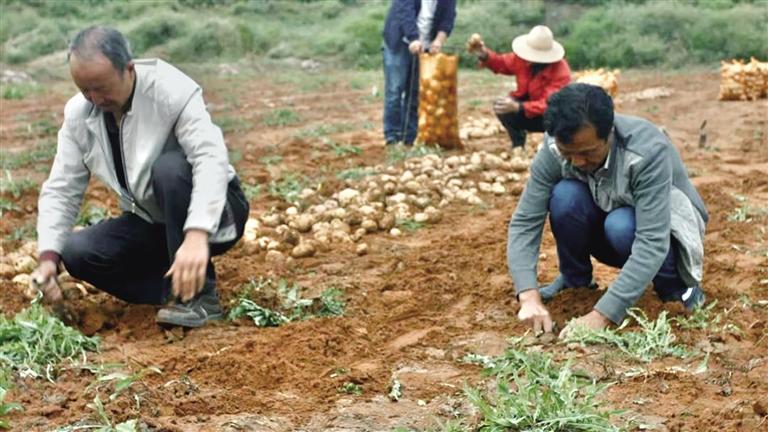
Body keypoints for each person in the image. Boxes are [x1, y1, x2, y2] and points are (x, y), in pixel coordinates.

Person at [30, 26, 249, 328]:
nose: (95, 98)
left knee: (169, 169)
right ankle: (172, 290)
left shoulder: (170, 90)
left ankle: (200, 299)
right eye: (84, 90)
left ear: (129, 69)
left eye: (102, 87)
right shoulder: (80, 114)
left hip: (217, 214)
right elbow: (62, 187)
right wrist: (48, 259)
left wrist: (197, 234)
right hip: (153, 221)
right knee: (78, 252)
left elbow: (209, 159)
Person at [508, 83, 708, 338]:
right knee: (565, 196)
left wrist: (601, 315)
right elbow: (526, 220)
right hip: (608, 214)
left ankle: (676, 288)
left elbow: (652, 241)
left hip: (665, 233)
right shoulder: (554, 146)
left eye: (588, 152)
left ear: (609, 133)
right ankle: (575, 282)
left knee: (621, 224)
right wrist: (528, 296)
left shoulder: (646, 152)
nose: (577, 161)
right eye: (568, 153)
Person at [467, 25, 571, 149]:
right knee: (502, 106)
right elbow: (502, 62)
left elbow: (549, 104)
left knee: (557, 117)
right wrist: (484, 54)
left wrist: (519, 107)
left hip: (550, 116)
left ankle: (556, 146)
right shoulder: (521, 58)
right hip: (527, 106)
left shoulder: (561, 71)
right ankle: (518, 144)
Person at [382, 0, 457, 146]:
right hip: (399, 41)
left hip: (425, 46)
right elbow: (405, 12)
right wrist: (413, 38)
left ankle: (410, 136)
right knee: (395, 90)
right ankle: (392, 136)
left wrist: (438, 41)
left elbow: (448, 18)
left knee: (417, 93)